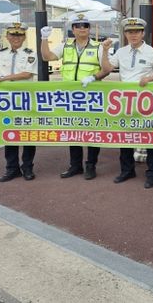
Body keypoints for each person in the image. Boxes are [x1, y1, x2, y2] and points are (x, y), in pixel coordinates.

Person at [41, 13, 108, 181]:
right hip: (70, 98)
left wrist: (94, 77)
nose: (82, 29)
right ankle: (75, 165)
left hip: (91, 98)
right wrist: (44, 39)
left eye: (85, 26)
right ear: (73, 29)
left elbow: (106, 69)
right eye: (78, 26)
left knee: (92, 133)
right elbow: (47, 57)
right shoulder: (66, 46)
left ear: (89, 29)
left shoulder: (98, 47)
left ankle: (91, 165)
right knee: (73, 131)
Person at [101, 17, 153, 188]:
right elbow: (107, 69)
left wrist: (150, 78)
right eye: (129, 32)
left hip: (146, 102)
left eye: (136, 32)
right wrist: (105, 51)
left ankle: (152, 173)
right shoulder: (121, 52)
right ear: (125, 34)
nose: (133, 35)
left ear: (143, 33)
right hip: (125, 101)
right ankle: (127, 170)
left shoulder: (152, 52)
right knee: (125, 136)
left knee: (149, 137)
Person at [0, 22, 38, 182]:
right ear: (7, 36)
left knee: (27, 134)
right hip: (6, 101)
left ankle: (27, 167)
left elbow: (27, 74)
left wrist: (2, 79)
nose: (16, 38)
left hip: (25, 99)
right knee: (9, 133)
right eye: (13, 34)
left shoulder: (31, 53)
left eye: (19, 35)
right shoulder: (1, 53)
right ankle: (12, 168)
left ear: (24, 37)